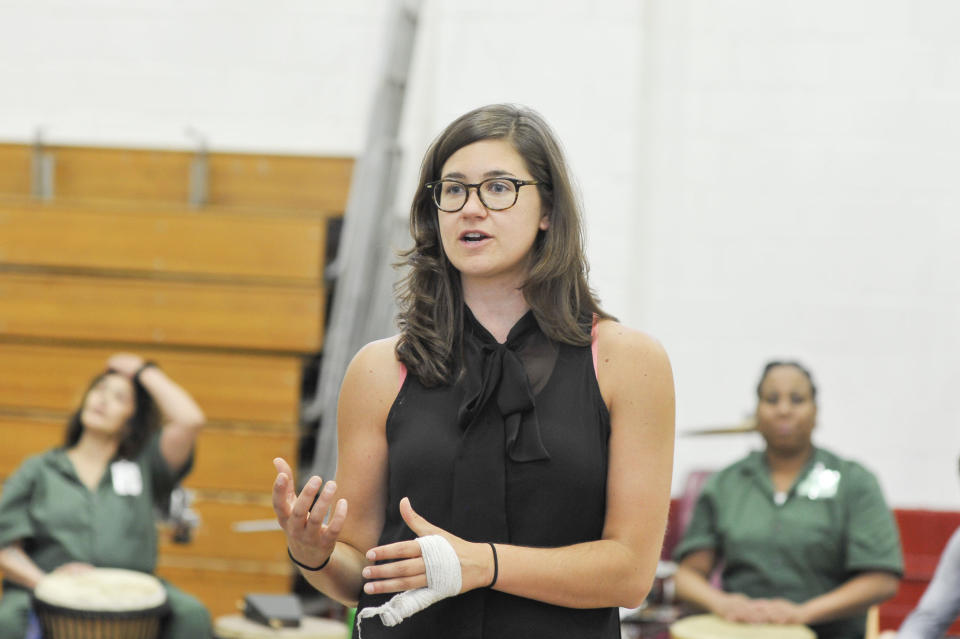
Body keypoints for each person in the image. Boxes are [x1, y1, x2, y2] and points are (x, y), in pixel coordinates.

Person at [271, 103, 676, 638]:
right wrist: (313, 555)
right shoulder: (378, 371)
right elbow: (362, 573)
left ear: (548, 209)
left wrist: (481, 563)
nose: (472, 208)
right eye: (454, 189)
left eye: (499, 188)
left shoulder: (628, 363)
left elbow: (630, 574)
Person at [672, 361, 903, 639]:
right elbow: (687, 576)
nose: (784, 409)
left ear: (815, 412)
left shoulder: (854, 482)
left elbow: (882, 580)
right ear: (756, 411)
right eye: (771, 399)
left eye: (797, 399)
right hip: (741, 631)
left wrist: (803, 613)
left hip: (827, 633)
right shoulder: (725, 484)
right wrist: (722, 604)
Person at [0, 353, 212, 639]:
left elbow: (190, 419)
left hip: (132, 591)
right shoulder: (40, 468)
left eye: (119, 398)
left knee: (192, 615)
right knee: (8, 621)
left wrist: (142, 371)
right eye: (99, 389)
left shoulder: (145, 464)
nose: (102, 399)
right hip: (46, 586)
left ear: (132, 420)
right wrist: (48, 584)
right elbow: (4, 547)